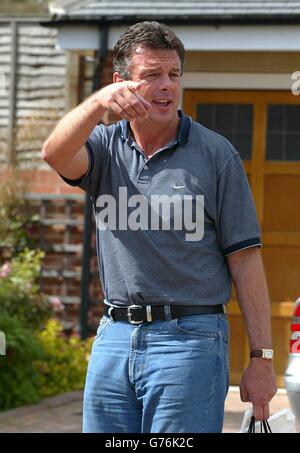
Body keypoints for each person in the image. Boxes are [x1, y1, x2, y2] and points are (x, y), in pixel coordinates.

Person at [42, 21, 277, 433]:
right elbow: (55, 153)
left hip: (191, 340)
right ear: (122, 84)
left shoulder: (216, 155)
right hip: (114, 337)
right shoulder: (104, 147)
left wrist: (261, 359)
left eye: (173, 75)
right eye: (151, 75)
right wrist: (99, 103)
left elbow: (246, 262)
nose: (166, 85)